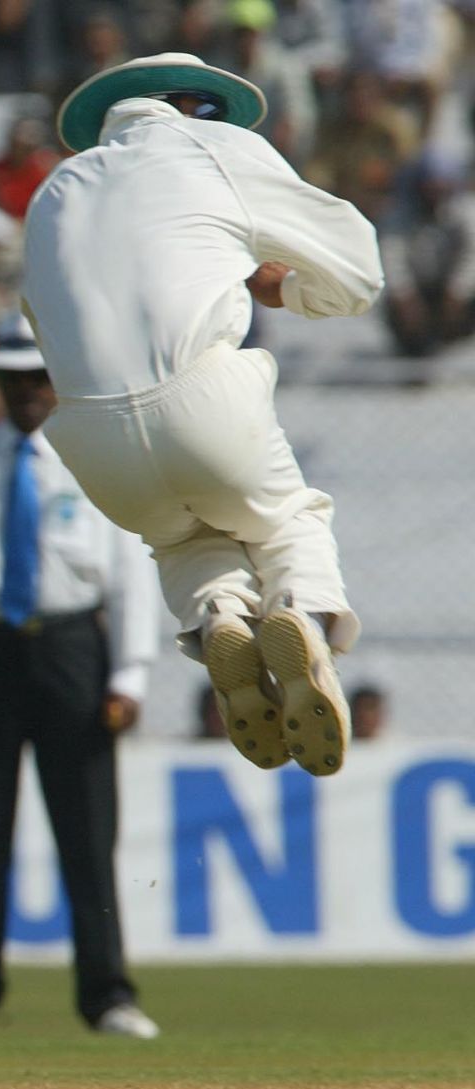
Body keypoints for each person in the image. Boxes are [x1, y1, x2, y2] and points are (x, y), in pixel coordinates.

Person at [23, 52, 383, 777]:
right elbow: (359, 272)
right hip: (200, 401)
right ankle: (301, 619)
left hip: (90, 437)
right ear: (186, 105)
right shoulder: (212, 147)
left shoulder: (54, 191)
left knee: (184, 538)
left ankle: (222, 615)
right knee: (285, 518)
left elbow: (43, 320)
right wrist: (288, 293)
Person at [0, 313, 163, 1042]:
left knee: (87, 831)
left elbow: (128, 577)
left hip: (71, 650)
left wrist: (131, 673)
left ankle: (108, 994)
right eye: (12, 378)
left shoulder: (92, 461)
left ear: (58, 381)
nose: (25, 390)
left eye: (36, 377)